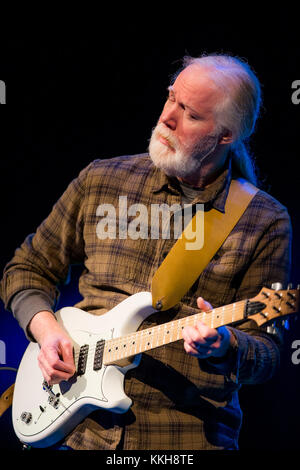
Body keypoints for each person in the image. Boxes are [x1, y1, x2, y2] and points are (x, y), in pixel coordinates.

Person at [0, 54, 292, 450]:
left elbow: (271, 352)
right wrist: (45, 329)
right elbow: (27, 268)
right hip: (80, 434)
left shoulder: (264, 220)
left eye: (190, 114)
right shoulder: (102, 179)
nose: (168, 117)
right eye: (172, 98)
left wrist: (226, 346)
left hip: (183, 437)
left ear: (226, 136)